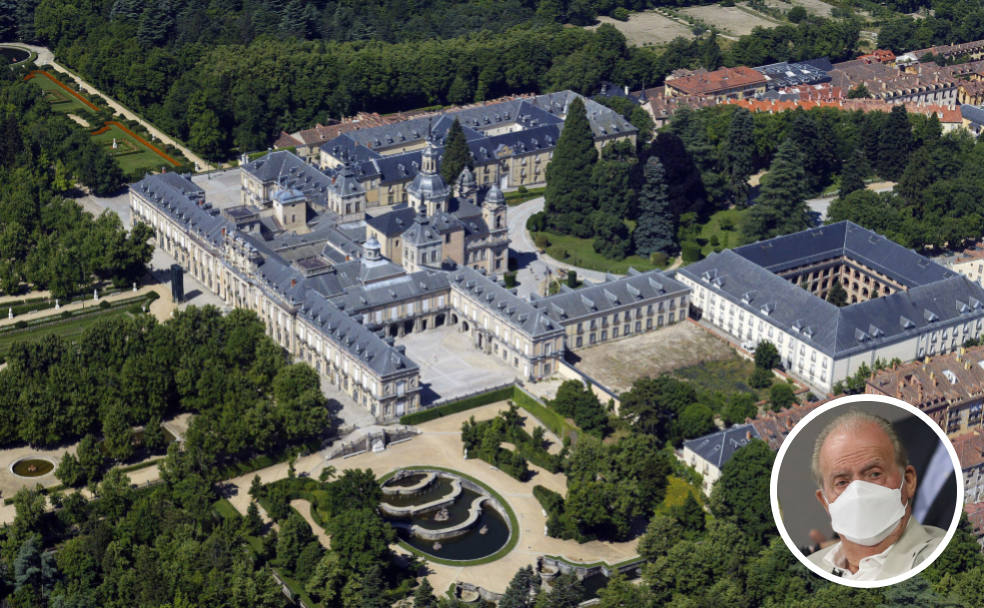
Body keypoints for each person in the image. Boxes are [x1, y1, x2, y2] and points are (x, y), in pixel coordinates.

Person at [807, 410, 946, 581]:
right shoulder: (808, 568)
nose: (858, 493)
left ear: (908, 481)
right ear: (825, 502)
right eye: (842, 482)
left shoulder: (943, 559)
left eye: (874, 474)